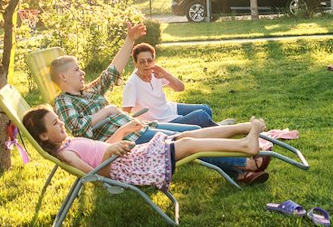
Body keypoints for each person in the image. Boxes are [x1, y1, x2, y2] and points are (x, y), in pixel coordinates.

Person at [48, 29, 268, 182]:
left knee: (192, 131)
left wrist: (129, 40)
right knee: (188, 141)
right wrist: (107, 111)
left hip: (139, 127)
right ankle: (245, 163)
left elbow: (113, 70)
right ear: (63, 77)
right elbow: (77, 129)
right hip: (125, 142)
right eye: (77, 70)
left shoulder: (89, 90)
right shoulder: (64, 101)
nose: (82, 72)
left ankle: (240, 167)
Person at [22, 106, 269, 191]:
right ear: (44, 135)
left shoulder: (67, 142)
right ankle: (245, 145)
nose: (61, 122)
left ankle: (243, 128)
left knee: (187, 136)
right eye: (55, 123)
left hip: (131, 157)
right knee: (189, 144)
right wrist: (111, 152)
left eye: (58, 118)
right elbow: (93, 174)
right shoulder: (65, 153)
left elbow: (102, 148)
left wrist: (123, 132)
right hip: (133, 167)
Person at [121, 40, 216, 129]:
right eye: (142, 61)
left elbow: (180, 88)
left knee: (206, 109)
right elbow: (125, 113)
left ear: (153, 60)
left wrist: (166, 74)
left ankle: (212, 127)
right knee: (200, 116)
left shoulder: (156, 72)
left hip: (169, 109)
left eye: (149, 60)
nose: (146, 64)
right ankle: (220, 128)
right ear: (135, 63)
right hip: (160, 121)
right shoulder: (132, 84)